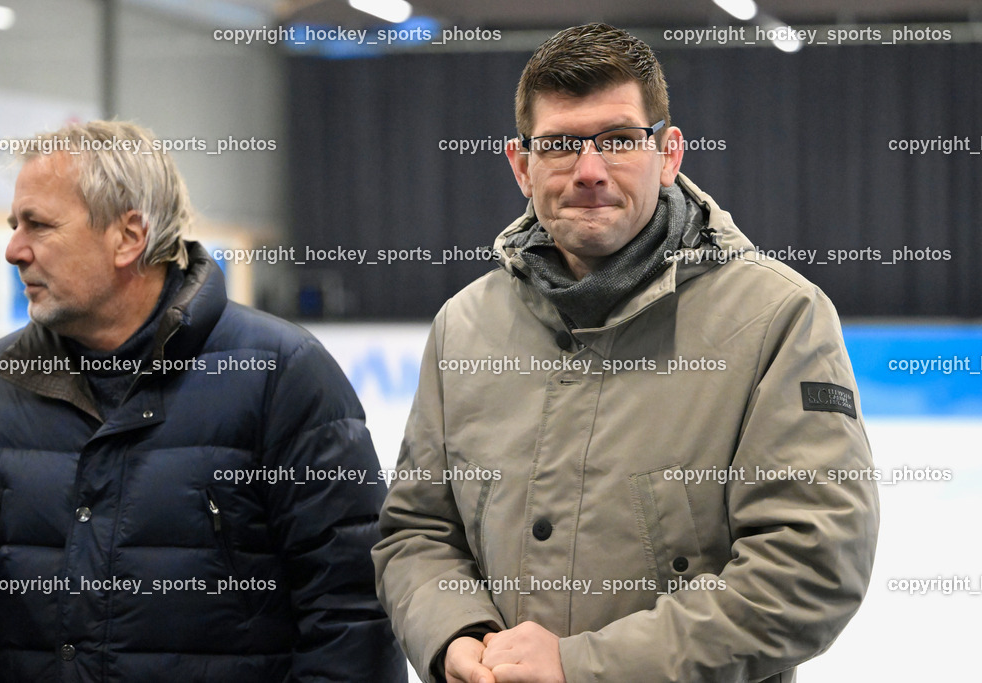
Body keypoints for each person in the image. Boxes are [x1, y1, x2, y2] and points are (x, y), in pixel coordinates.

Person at [373, 22, 880, 683]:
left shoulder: (777, 319)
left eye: (617, 140)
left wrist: (586, 665)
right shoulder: (462, 328)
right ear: (520, 165)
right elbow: (416, 531)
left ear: (668, 154)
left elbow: (812, 566)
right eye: (558, 145)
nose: (589, 172)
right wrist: (457, 634)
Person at [0, 120, 407, 682]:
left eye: (38, 226)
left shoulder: (281, 375)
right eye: (12, 225)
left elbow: (353, 615)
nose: (12, 250)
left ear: (129, 236)